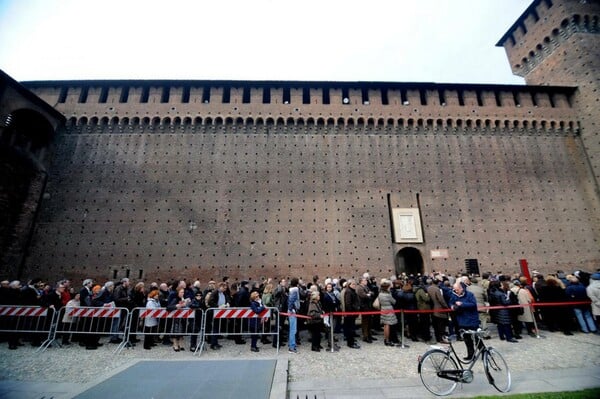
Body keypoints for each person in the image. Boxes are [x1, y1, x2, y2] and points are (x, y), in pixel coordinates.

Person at [448, 280, 482, 361]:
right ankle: (471, 355)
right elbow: (451, 302)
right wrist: (452, 306)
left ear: (461, 288)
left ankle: (483, 352)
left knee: (477, 338)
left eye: (457, 289)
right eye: (455, 289)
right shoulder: (454, 295)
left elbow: (473, 304)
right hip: (462, 320)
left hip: (471, 319)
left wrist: (462, 304)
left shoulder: (469, 295)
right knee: (467, 339)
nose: (456, 291)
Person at [428, 277, 450, 344]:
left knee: (436, 325)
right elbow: (441, 300)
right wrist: (446, 307)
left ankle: (437, 337)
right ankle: (441, 338)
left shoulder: (429, 288)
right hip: (439, 309)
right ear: (438, 283)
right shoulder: (437, 289)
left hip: (433, 309)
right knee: (441, 325)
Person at [377, 279, 397, 346]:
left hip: (383, 309)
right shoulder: (388, 295)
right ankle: (388, 340)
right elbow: (394, 302)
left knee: (385, 325)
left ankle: (385, 339)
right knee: (388, 326)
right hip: (389, 310)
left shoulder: (380, 294)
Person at [343, 279, 361, 349]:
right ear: (349, 284)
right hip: (350, 313)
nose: (354, 285)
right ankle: (350, 343)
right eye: (353, 284)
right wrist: (353, 311)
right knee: (350, 328)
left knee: (351, 328)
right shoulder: (348, 291)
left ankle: (351, 341)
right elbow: (348, 303)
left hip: (352, 313)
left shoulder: (352, 291)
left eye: (355, 284)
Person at [287, 277, 300, 353]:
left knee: (292, 329)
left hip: (292, 310)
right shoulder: (295, 290)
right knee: (293, 329)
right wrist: (291, 309)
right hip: (292, 311)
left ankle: (292, 345)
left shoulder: (291, 289)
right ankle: (292, 347)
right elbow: (292, 300)